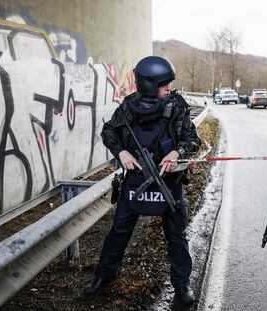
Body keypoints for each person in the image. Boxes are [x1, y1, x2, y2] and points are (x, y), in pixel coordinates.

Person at [84, 56, 201, 305]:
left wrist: (177, 153)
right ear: (149, 84)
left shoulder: (177, 105)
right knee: (118, 233)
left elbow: (193, 138)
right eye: (163, 83)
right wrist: (121, 152)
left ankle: (181, 285)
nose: (168, 87)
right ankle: (104, 277)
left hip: (169, 182)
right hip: (135, 182)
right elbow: (109, 131)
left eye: (169, 83)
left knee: (177, 236)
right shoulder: (129, 106)